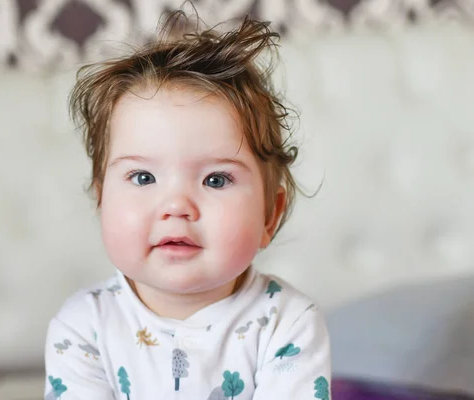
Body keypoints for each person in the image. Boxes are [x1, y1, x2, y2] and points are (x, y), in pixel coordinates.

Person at [44, 8, 331, 400]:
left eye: (216, 180)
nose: (176, 206)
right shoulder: (81, 329)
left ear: (271, 213)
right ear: (101, 198)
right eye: (143, 178)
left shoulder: (287, 324)